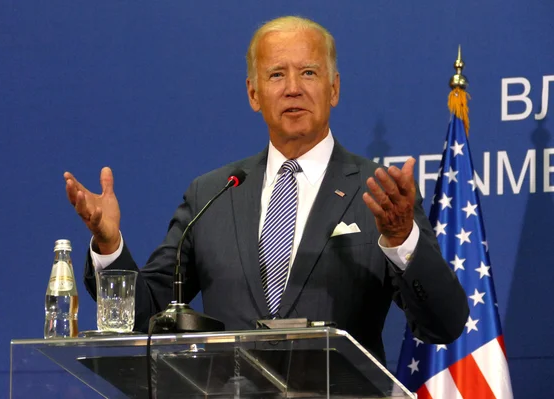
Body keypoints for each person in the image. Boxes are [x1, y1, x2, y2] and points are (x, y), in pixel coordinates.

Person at [64, 16, 468, 363]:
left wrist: (401, 240)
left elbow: (444, 324)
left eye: (309, 72)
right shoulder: (211, 194)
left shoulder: (378, 194)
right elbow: (144, 313)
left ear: (334, 89)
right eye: (277, 74)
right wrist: (109, 245)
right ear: (254, 94)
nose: (293, 88)